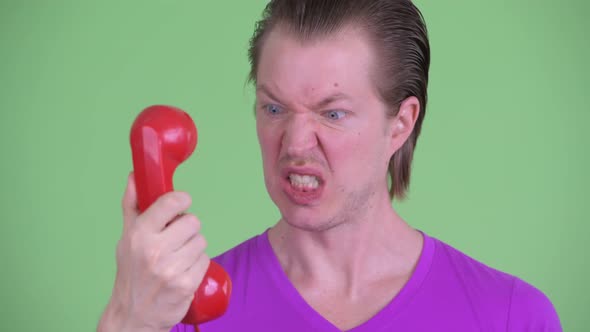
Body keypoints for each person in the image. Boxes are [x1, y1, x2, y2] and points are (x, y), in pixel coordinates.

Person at [98, 0, 562, 331]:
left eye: (332, 113)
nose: (295, 143)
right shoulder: (180, 312)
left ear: (400, 123)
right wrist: (128, 318)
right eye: (274, 108)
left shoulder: (513, 317)